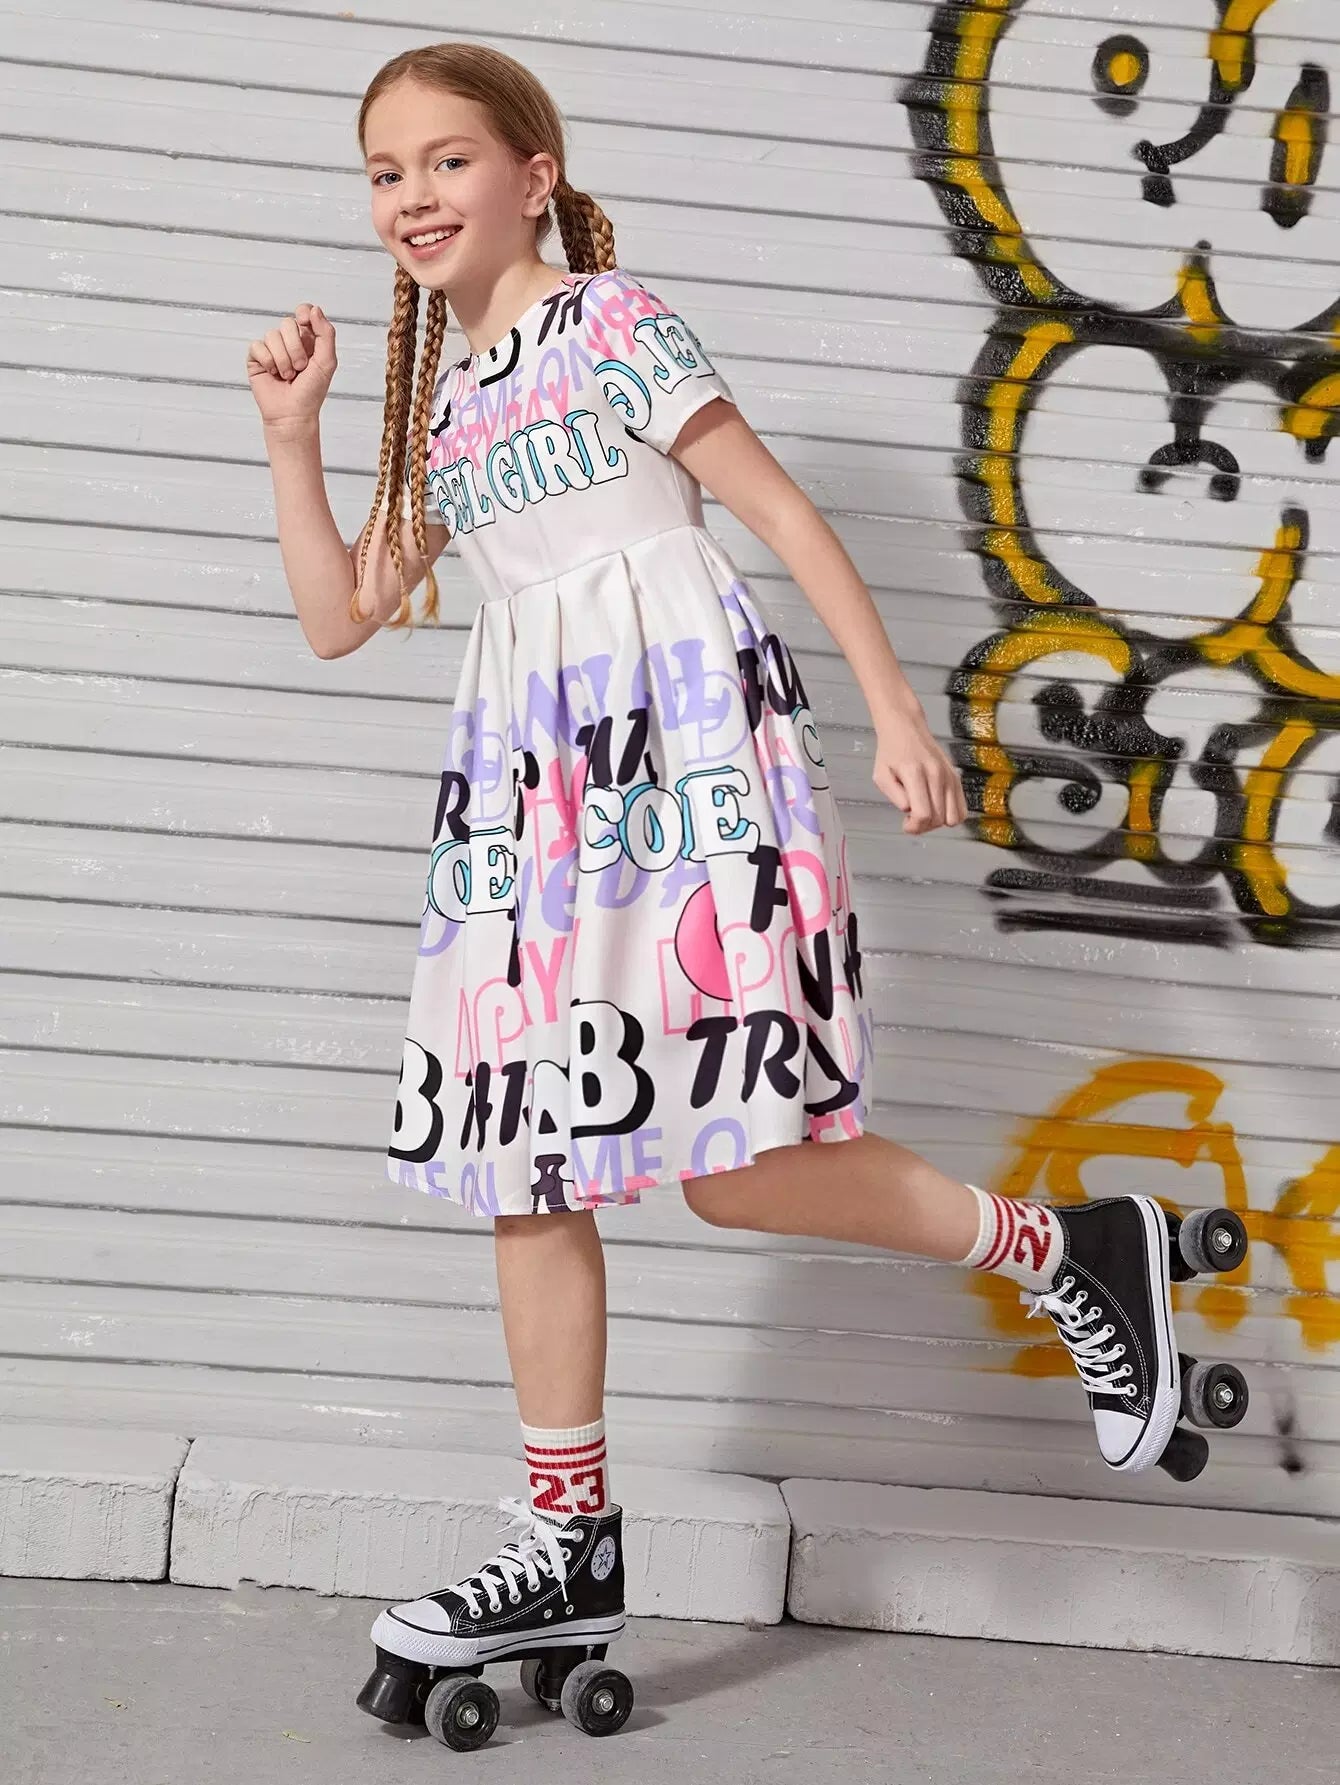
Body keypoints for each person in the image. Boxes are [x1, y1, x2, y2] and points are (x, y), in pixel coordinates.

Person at [246, 39, 1192, 1730]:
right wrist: (292, 435)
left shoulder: (614, 321)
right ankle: (566, 1531)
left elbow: (781, 513)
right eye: (386, 171)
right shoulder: (444, 403)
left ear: (534, 175)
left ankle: (1072, 1250)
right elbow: (338, 615)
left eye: (448, 160)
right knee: (524, 1154)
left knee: (742, 1172)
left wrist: (896, 709)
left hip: (683, 763)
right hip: (535, 800)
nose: (413, 196)